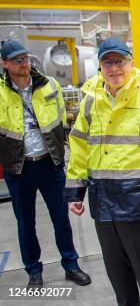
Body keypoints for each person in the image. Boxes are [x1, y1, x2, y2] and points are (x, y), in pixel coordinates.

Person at [64, 37, 140, 306]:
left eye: (119, 61)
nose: (114, 68)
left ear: (131, 63)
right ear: (100, 66)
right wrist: (75, 191)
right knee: (117, 272)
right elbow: (79, 148)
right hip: (103, 201)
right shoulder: (90, 102)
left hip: (138, 200)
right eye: (108, 62)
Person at [0, 40, 90, 287]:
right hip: (18, 168)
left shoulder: (49, 84)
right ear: (5, 64)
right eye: (17, 60)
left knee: (61, 218)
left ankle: (71, 264)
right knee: (26, 223)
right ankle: (33, 271)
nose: (24, 64)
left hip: (50, 164)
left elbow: (62, 119)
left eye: (26, 59)